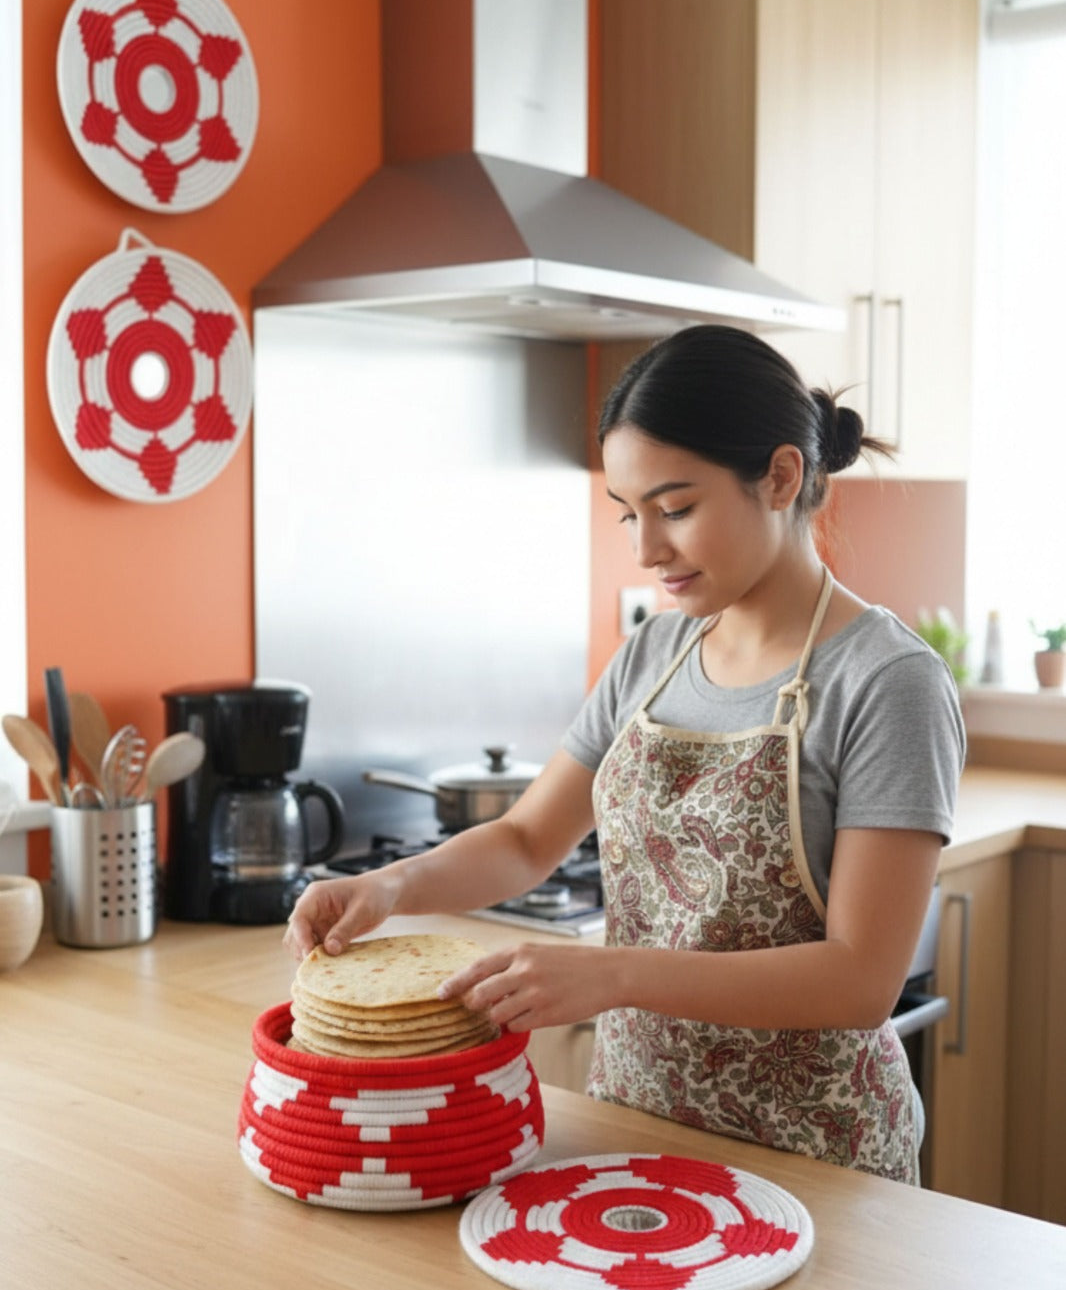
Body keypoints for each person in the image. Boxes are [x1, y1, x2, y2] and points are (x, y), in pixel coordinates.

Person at [285, 324, 965, 1185]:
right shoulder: (655, 655)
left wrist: (611, 974)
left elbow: (860, 979)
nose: (646, 551)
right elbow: (529, 841)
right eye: (629, 513)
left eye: (675, 508)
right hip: (631, 1130)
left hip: (817, 1162)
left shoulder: (888, 682)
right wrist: (390, 887)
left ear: (782, 477)